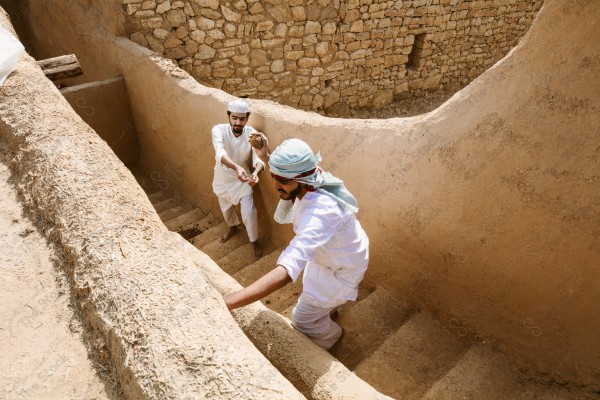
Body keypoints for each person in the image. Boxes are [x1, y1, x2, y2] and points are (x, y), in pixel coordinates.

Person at [224, 135, 369, 350]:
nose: (275, 184)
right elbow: (290, 173)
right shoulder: (311, 177)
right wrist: (265, 155)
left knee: (301, 320)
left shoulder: (320, 214)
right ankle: (328, 309)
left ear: (301, 180)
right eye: (274, 176)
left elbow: (288, 270)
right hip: (335, 254)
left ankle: (333, 335)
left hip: (342, 269)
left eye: (282, 180)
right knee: (317, 295)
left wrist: (228, 303)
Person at [211, 99, 263, 259]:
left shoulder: (252, 134)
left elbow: (259, 158)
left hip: (243, 178)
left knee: (249, 212)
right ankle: (233, 227)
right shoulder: (218, 130)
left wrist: (256, 173)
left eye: (242, 119)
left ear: (247, 118)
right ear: (228, 116)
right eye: (234, 118)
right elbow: (219, 152)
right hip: (223, 177)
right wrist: (236, 168)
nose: (237, 122)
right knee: (226, 207)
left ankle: (254, 240)